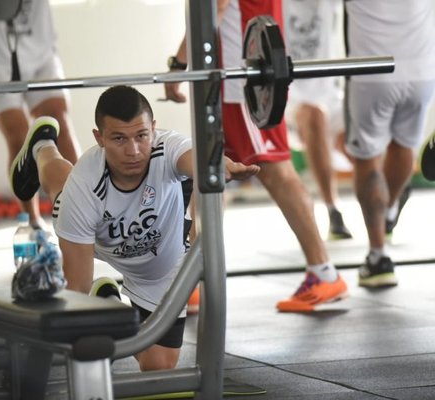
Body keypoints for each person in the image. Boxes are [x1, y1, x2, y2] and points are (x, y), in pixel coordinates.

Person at [9, 85, 260, 371]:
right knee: (60, 187)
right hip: (99, 241)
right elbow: (76, 287)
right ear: (99, 138)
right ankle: (42, 147)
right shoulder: (84, 187)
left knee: (159, 366)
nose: (134, 150)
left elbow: (201, 164)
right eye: (119, 138)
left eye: (142, 135)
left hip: (158, 269)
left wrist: (221, 167)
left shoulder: (169, 148)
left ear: (153, 129)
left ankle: (107, 302)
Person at [164, 0, 348, 312]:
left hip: (241, 83)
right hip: (233, 78)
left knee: (275, 170)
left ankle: (323, 271)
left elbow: (215, 9)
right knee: (209, 173)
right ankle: (196, 277)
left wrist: (178, 66)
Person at [344, 0, 435, 287]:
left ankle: (378, 256)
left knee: (367, 157)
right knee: (404, 145)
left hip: (373, 69)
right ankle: (390, 208)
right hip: (422, 71)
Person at [0, 0, 81, 228]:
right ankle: (33, 222)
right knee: (19, 135)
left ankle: (85, 207)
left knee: (60, 122)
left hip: (41, 53)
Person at [283, 0, 353, 240]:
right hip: (291, 101)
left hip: (331, 96)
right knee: (314, 115)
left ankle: (389, 204)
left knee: (354, 144)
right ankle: (334, 211)